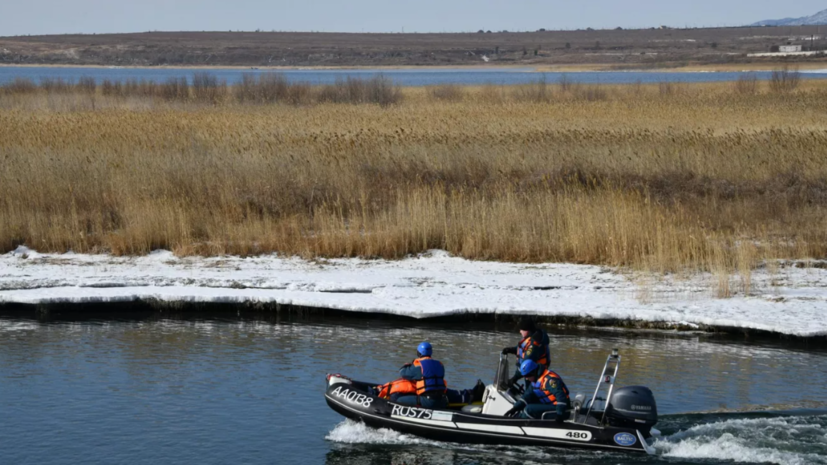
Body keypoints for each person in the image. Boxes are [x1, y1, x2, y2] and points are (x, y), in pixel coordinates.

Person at [378, 342, 485, 409]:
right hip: (442, 400)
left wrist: (410, 364)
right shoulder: (440, 365)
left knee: (396, 399)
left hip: (428, 401)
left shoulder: (419, 367)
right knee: (453, 393)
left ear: (419, 353)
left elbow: (403, 372)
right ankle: (473, 393)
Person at [504, 360, 570, 421]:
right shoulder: (535, 380)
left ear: (534, 372)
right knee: (524, 406)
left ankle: (520, 423)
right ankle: (515, 419)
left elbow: (561, 396)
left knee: (529, 409)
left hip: (561, 410)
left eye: (527, 376)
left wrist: (560, 413)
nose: (526, 379)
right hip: (549, 405)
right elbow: (527, 396)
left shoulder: (549, 380)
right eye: (524, 376)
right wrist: (514, 408)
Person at [501, 318, 550, 389]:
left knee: (530, 394)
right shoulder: (531, 338)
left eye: (522, 330)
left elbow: (527, 364)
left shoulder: (534, 345)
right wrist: (511, 350)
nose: (520, 331)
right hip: (530, 374)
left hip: (535, 375)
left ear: (527, 330)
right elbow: (523, 349)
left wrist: (514, 378)